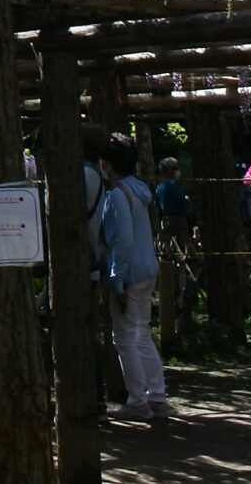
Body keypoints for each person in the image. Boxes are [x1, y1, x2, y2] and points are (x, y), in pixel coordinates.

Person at [95, 134, 169, 421]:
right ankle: (158, 397)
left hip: (129, 274)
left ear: (108, 164)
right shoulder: (139, 190)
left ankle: (138, 401)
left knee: (125, 337)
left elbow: (122, 240)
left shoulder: (117, 194)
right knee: (141, 333)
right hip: (147, 269)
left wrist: (117, 278)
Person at [151, 157, 191, 242]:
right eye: (175, 168)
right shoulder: (174, 185)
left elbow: (156, 203)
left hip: (166, 219)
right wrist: (187, 201)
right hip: (179, 219)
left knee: (166, 243)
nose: (178, 170)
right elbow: (181, 200)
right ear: (169, 170)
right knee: (185, 241)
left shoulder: (159, 186)